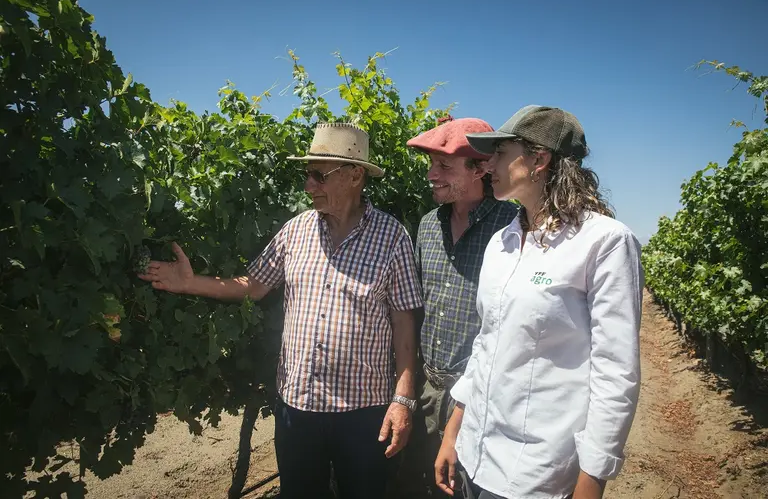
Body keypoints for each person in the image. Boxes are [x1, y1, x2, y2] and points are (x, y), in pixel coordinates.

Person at [138, 122, 422, 499]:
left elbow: (404, 323)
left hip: (364, 411)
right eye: (307, 175)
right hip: (297, 408)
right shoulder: (295, 232)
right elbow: (253, 286)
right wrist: (191, 283)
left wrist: (402, 400)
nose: (308, 185)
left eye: (319, 175)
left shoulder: (392, 237)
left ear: (355, 176)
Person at [435, 105, 644, 499]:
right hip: (475, 454)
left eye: (500, 152)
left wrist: (592, 481)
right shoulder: (502, 242)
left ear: (539, 159)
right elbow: (486, 343)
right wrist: (454, 431)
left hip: (534, 472)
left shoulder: (604, 243)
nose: (488, 164)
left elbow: (615, 373)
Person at [395, 117, 519, 498]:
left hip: (483, 400)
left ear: (480, 169)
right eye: (431, 164)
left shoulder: (513, 228)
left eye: (444, 166)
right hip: (428, 391)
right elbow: (416, 311)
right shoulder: (427, 226)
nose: (431, 175)